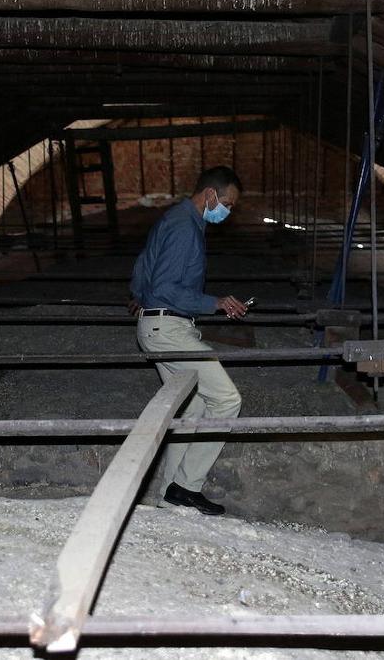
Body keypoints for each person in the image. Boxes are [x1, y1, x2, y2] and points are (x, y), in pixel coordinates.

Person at [129, 166, 247, 516]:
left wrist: (142, 297)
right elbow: (164, 288)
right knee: (227, 400)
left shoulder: (174, 219)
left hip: (155, 326)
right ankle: (186, 486)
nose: (227, 211)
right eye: (226, 203)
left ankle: (169, 494)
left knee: (194, 405)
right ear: (210, 195)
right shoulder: (185, 228)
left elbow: (142, 271)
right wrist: (215, 302)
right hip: (168, 331)